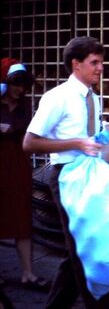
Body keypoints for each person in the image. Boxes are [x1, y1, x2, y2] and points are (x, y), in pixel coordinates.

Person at [22, 36, 109, 308]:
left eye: (101, 63)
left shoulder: (93, 98)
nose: (100, 68)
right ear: (76, 64)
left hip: (89, 175)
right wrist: (77, 143)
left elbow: (88, 138)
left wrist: (101, 138)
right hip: (66, 176)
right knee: (87, 251)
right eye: (94, 63)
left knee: (77, 251)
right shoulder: (57, 98)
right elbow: (29, 143)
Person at [0, 58, 52, 292]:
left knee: (22, 218)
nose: (19, 89)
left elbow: (26, 131)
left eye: (23, 85)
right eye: (15, 84)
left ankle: (28, 273)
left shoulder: (25, 106)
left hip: (17, 165)